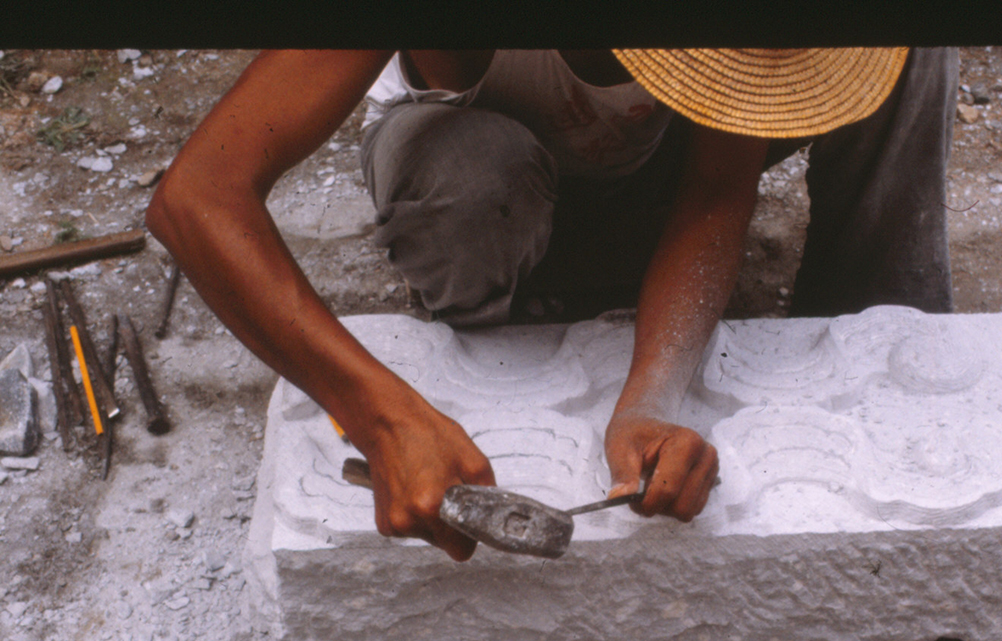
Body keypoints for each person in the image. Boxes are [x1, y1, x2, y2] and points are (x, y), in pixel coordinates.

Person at [146, 48, 957, 562]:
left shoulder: (722, 54)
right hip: (486, 161)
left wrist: (650, 400)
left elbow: (715, 190)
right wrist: (381, 415)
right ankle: (523, 290)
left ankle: (874, 341)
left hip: (648, 167)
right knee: (476, 185)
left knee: (901, 47)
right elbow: (196, 199)